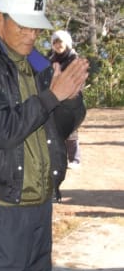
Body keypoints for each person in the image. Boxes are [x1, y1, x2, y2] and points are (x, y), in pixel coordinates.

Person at [0, 0, 89, 271]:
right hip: (2, 209)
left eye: (37, 29)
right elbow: (0, 129)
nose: (32, 36)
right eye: (23, 27)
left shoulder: (38, 60)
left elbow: (61, 125)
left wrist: (72, 99)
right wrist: (53, 96)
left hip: (40, 205)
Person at [48, 30, 81, 170]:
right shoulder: (51, 59)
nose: (58, 45)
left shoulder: (74, 58)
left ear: (66, 42)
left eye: (60, 41)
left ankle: (75, 159)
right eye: (55, 42)